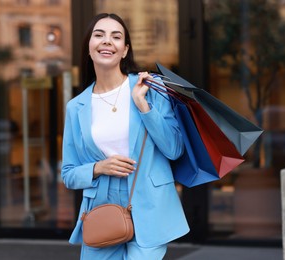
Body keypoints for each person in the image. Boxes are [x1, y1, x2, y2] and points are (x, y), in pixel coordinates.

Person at [61, 13, 189, 259]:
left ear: (124, 50)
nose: (107, 41)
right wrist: (98, 167)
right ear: (89, 47)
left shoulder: (150, 89)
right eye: (99, 35)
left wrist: (144, 107)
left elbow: (174, 149)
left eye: (116, 37)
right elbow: (68, 174)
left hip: (150, 204)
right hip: (101, 208)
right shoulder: (76, 107)